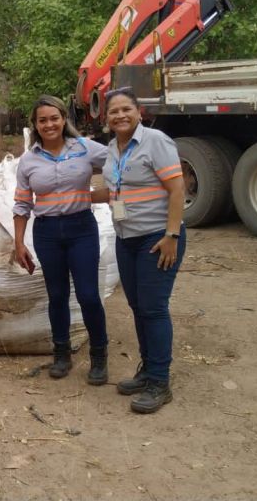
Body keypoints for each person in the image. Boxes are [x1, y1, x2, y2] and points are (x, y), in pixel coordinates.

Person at [94, 88, 186, 414]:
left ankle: (160, 382)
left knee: (153, 307)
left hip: (156, 238)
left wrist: (172, 235)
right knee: (136, 305)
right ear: (106, 118)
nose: (119, 116)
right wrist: (77, 196)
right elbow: (117, 190)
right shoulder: (113, 149)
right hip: (127, 238)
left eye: (125, 110)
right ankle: (147, 370)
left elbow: (177, 189)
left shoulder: (156, 141)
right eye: (113, 112)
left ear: (139, 111)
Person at [12, 95, 110, 383]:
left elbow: (120, 162)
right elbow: (21, 204)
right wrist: (18, 242)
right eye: (42, 120)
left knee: (89, 295)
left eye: (54, 118)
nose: (49, 124)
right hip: (47, 233)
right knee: (56, 295)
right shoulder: (28, 161)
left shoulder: (84, 149)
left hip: (81, 228)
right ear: (35, 125)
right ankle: (62, 354)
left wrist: (111, 196)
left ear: (64, 119)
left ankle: (99, 356)